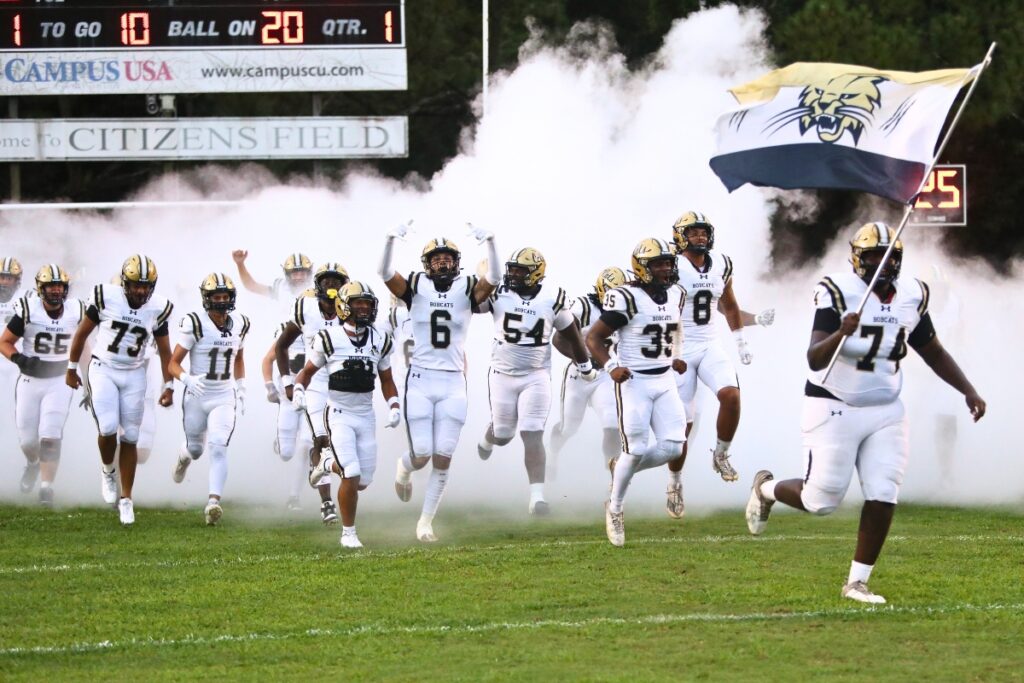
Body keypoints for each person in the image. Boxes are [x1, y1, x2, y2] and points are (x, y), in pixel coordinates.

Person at [744, 222, 986, 604]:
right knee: (821, 501)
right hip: (833, 403)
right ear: (858, 258)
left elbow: (933, 350)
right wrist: (842, 332)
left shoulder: (911, 294)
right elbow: (813, 357)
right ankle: (765, 488)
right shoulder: (838, 291)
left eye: (890, 257)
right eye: (874, 256)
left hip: (887, 408)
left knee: (884, 490)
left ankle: (856, 582)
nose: (883, 264)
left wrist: (968, 390)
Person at [378, 225, 500, 542]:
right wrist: (390, 239)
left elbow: (495, 280)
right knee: (421, 454)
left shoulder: (467, 288)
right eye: (436, 260)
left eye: (447, 259)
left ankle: (425, 523)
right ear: (426, 264)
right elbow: (384, 272)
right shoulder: (416, 286)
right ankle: (403, 468)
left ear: (456, 262)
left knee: (443, 456)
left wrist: (491, 242)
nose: (443, 264)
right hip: (419, 379)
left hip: (453, 382)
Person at [665, 211, 774, 518]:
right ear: (680, 236)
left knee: (731, 396)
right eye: (693, 232)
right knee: (682, 427)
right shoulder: (671, 265)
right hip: (680, 348)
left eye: (703, 232)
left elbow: (729, 305)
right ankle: (674, 483)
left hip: (710, 343)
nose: (700, 237)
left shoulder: (722, 264)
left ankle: (721, 454)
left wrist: (740, 341)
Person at [475, 247, 594, 513]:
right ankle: (489, 435)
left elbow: (571, 333)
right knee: (504, 434)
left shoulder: (552, 299)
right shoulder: (499, 293)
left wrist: (584, 364)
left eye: (520, 270)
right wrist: (483, 281)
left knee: (532, 434)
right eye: (512, 269)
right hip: (502, 375)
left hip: (536, 375)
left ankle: (537, 498)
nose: (513, 274)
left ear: (536, 274)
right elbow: (473, 304)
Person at [586, 238, 687, 547]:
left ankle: (621, 468)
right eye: (658, 263)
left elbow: (676, 327)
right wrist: (611, 365)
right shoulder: (625, 297)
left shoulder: (676, 294)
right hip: (635, 383)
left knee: (674, 447)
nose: (665, 268)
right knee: (637, 449)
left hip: (665, 378)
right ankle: (615, 507)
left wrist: (677, 353)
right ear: (642, 268)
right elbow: (594, 338)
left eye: (668, 262)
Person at [66, 254, 175, 526]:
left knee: (132, 437)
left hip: (135, 373)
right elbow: (81, 334)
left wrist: (169, 384)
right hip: (103, 368)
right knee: (108, 428)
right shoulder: (106, 296)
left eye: (146, 285)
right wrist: (70, 368)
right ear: (125, 283)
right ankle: (107, 471)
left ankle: (126, 499)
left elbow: (164, 351)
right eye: (136, 285)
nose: (141, 291)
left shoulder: (158, 308)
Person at [299, 282, 400, 548]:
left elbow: (386, 379)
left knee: (362, 482)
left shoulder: (381, 339)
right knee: (351, 473)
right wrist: (299, 388)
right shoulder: (328, 338)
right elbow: (307, 373)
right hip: (339, 413)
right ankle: (348, 533)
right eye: (358, 303)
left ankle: (326, 464)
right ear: (344, 306)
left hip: (366, 415)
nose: (364, 308)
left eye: (367, 303)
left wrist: (394, 404)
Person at [168, 273, 249, 526]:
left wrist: (242, 385)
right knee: (196, 449)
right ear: (207, 298)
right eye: (217, 297)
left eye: (226, 297)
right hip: (197, 395)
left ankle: (213, 502)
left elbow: (238, 357)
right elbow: (172, 363)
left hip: (224, 395)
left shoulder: (241, 323)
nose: (222, 301)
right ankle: (183, 456)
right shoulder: (194, 323)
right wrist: (186, 379)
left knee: (218, 446)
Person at [0, 265, 82, 506]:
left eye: (60, 286)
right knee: (27, 441)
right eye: (51, 286)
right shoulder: (28, 310)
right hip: (29, 379)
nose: (56, 291)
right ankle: (33, 464)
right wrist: (19, 359)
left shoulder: (75, 311)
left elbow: (83, 344)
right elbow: (5, 342)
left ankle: (47, 487)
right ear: (40, 288)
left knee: (50, 434)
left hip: (59, 380)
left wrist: (85, 375)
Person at [277, 262, 349, 525]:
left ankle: (324, 471)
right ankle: (327, 503)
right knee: (318, 438)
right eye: (327, 282)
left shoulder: (353, 309)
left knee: (342, 444)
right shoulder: (305, 308)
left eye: (336, 282)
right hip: (316, 384)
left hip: (345, 384)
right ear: (317, 285)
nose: (331, 287)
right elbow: (281, 345)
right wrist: (288, 381)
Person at [549, 266, 627, 474]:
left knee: (612, 424)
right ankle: (552, 456)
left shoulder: (629, 309)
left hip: (607, 374)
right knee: (569, 428)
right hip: (579, 375)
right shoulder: (583, 307)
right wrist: (583, 363)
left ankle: (613, 474)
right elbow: (558, 339)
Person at [232, 250, 313, 302]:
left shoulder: (316, 289)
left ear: (309, 274)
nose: (299, 277)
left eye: (302, 274)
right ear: (288, 275)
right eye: (295, 274)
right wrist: (240, 264)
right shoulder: (280, 288)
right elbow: (251, 286)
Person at [0, 257, 24, 327]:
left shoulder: (27, 298)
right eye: (2, 278)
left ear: (16, 280)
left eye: (9, 278)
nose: (5, 282)